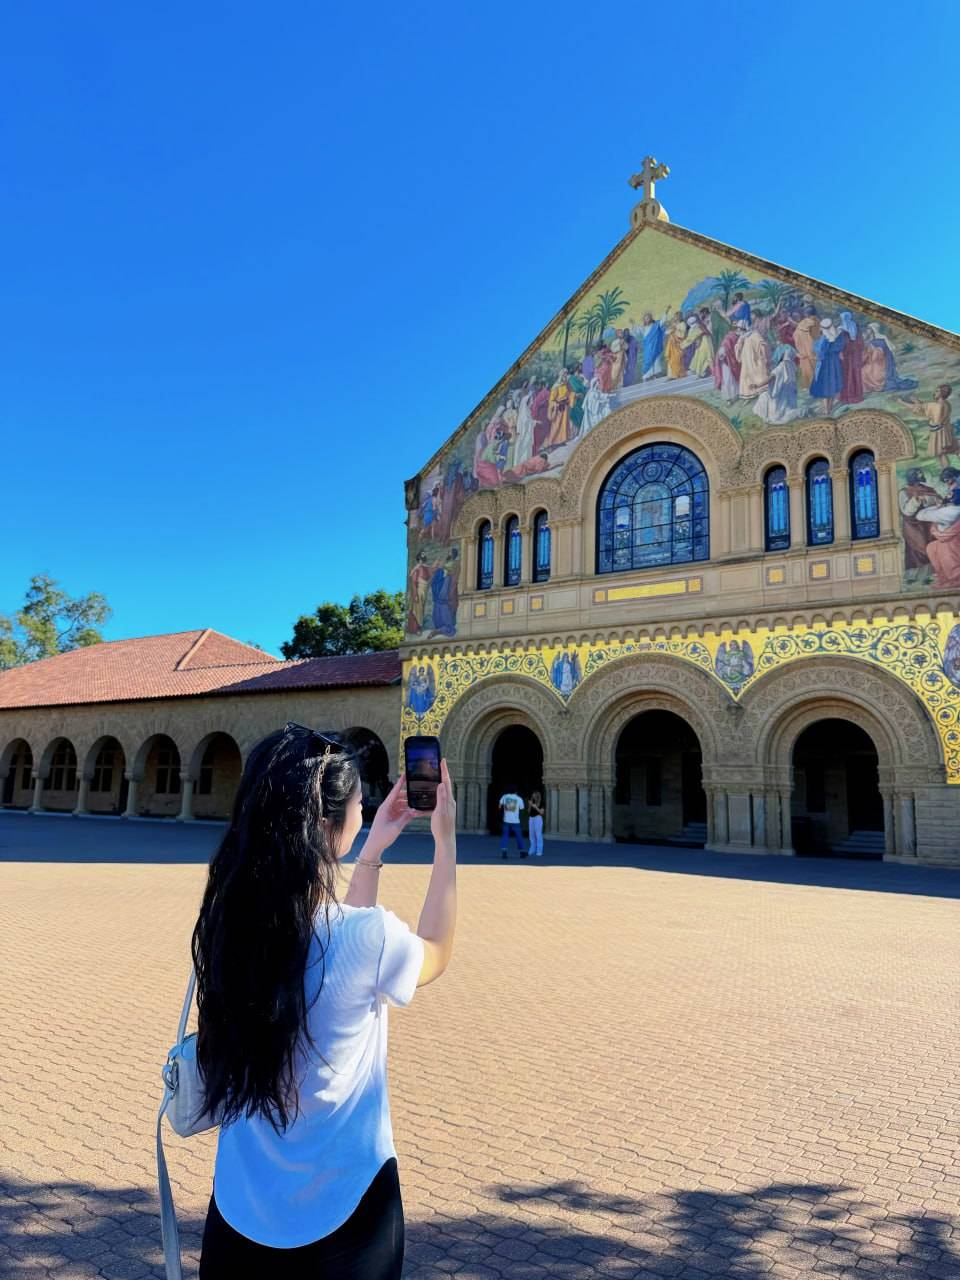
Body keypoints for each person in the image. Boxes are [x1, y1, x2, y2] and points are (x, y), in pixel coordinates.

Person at [193, 723, 458, 1278]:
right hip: (348, 1214)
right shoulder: (364, 939)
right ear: (325, 822)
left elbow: (334, 937)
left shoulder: (231, 928)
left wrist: (373, 850)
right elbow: (434, 949)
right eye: (361, 802)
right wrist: (445, 840)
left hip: (240, 1211)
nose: (366, 808)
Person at [498, 789, 527, 858]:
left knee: (505, 836)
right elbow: (522, 809)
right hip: (515, 821)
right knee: (519, 836)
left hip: (506, 820)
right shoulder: (519, 798)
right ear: (516, 792)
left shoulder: (504, 796)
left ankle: (504, 852)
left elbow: (499, 806)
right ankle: (522, 852)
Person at [528, 791, 545, 857]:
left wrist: (536, 807)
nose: (533, 797)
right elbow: (529, 812)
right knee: (531, 835)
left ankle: (539, 851)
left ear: (537, 796)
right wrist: (530, 806)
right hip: (531, 818)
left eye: (534, 796)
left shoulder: (541, 802)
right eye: (532, 796)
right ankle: (532, 849)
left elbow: (542, 813)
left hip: (538, 818)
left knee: (538, 834)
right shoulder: (532, 802)